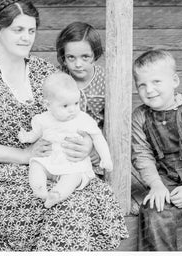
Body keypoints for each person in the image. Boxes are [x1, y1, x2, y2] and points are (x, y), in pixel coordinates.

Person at [0, 0, 128, 251]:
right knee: (70, 207)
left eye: (31, 30)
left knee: (90, 197)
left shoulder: (44, 72)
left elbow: (68, 117)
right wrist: (24, 155)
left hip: (48, 165)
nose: (26, 37)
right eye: (18, 30)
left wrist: (86, 145)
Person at [131, 49, 182, 251]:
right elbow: (142, 156)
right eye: (142, 85)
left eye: (156, 82)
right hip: (164, 178)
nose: (149, 90)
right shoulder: (139, 116)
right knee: (152, 212)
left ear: (174, 81)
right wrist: (156, 185)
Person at [18, 72, 113, 208]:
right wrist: (26, 137)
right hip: (50, 159)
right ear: (48, 105)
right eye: (65, 106)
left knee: (74, 177)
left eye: (76, 103)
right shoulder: (43, 119)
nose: (72, 110)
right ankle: (39, 189)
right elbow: (35, 134)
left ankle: (57, 194)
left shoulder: (82, 119)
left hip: (72, 162)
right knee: (36, 165)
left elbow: (98, 137)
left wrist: (106, 158)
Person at [56, 21, 105, 128]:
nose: (78, 64)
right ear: (63, 57)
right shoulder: (57, 78)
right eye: (71, 57)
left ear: (95, 54)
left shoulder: (105, 80)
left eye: (85, 57)